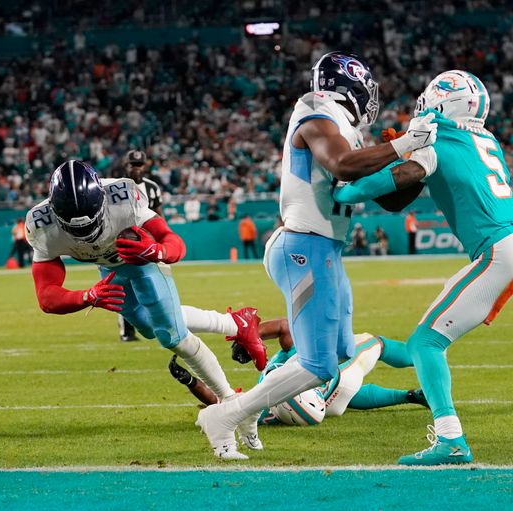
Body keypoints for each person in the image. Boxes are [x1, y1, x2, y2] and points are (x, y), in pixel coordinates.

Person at [195, 51, 438, 459]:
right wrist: (403, 146)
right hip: (304, 246)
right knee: (318, 366)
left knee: (342, 351)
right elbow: (342, 165)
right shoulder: (316, 110)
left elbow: (391, 201)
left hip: (324, 249)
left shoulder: (344, 127)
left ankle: (249, 408)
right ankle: (227, 415)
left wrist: (419, 165)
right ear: (349, 85)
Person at [334, 70, 513, 465]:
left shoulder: (438, 134)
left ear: (442, 101)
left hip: (498, 252)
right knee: (427, 340)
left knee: (426, 343)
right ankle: (379, 350)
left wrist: (349, 189)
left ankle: (451, 440)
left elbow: (404, 175)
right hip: (506, 245)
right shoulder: (485, 138)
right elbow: (408, 191)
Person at [26, 160, 265, 439]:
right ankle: (235, 323)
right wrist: (86, 296)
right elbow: (46, 296)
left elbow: (173, 241)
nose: (85, 231)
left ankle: (230, 402)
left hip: (143, 261)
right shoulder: (41, 224)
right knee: (149, 328)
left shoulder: (123, 197)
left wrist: (156, 250)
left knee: (171, 336)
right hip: (110, 271)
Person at [171, 318, 428, 437]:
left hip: (330, 406)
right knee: (377, 344)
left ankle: (407, 396)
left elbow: (222, 405)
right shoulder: (295, 362)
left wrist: (191, 382)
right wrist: (253, 336)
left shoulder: (266, 411)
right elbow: (285, 326)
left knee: (348, 398)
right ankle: (420, 355)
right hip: (342, 377)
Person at [118, 149, 163, 342]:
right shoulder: (116, 187)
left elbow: (158, 213)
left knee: (151, 284)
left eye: (139, 165)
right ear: (125, 165)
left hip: (147, 243)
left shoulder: (152, 187)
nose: (135, 168)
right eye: (132, 164)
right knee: (123, 287)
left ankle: (158, 325)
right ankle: (127, 332)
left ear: (145, 165)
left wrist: (162, 238)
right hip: (124, 242)